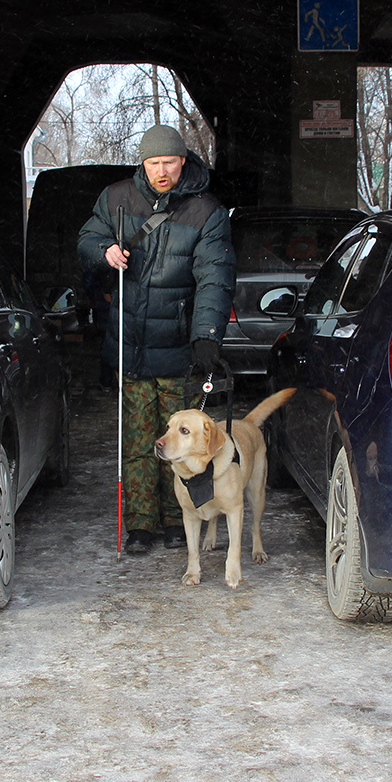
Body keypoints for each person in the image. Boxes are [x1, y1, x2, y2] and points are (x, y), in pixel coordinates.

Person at [78, 125, 235, 555]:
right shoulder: (116, 199)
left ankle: (174, 520)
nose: (161, 171)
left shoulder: (206, 211)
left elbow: (214, 278)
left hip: (178, 349)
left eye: (169, 162)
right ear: (142, 163)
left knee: (180, 445)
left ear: (183, 161)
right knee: (138, 442)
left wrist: (206, 336)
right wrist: (104, 250)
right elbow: (86, 240)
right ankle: (141, 524)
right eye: (153, 163)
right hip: (129, 346)